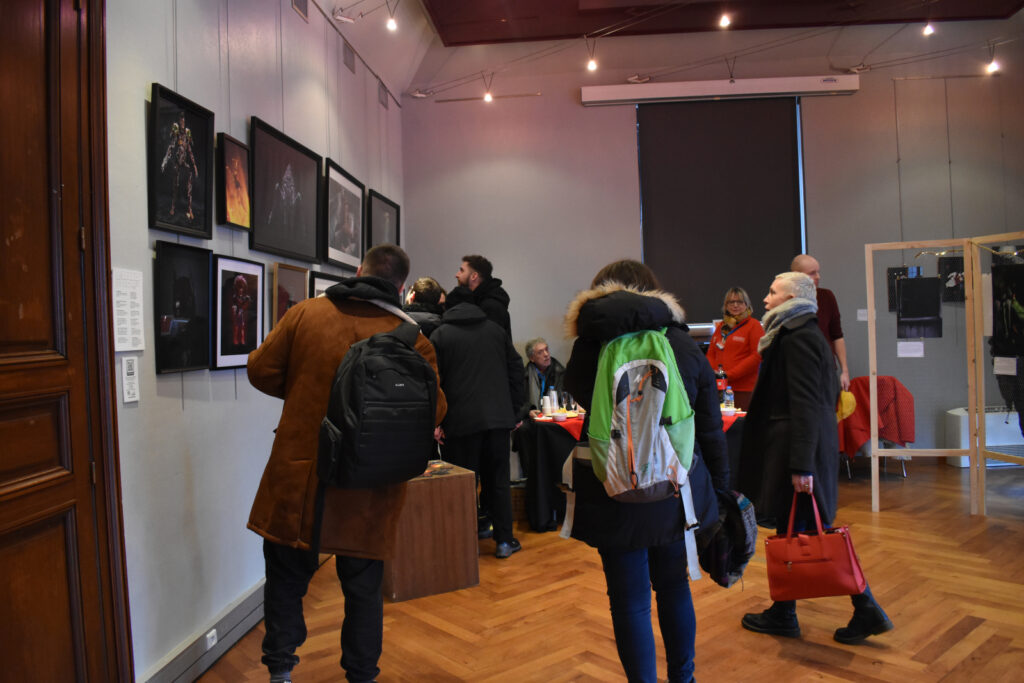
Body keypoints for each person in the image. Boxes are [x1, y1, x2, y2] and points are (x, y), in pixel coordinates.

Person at [246, 244, 448, 683]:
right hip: (370, 479)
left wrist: (305, 391)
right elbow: (434, 409)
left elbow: (260, 370)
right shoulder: (413, 339)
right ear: (401, 287)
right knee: (363, 588)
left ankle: (280, 669)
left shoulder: (306, 315)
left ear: (358, 271)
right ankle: (361, 673)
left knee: (285, 577)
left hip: (302, 473)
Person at [563, 259, 728, 683]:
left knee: (629, 602)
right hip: (674, 489)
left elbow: (579, 395)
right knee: (674, 588)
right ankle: (683, 678)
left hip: (614, 488)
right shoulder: (681, 341)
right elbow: (709, 424)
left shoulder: (590, 344)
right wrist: (721, 489)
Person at [738, 271, 892, 645]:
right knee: (798, 529)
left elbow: (807, 405)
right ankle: (786, 611)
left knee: (809, 529)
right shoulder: (799, 335)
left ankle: (864, 608)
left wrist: (801, 466)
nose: (765, 299)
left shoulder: (799, 338)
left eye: (772, 292)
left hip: (798, 451)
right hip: (797, 449)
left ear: (791, 299)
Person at [430, 286, 526, 558]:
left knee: (464, 485)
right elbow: (516, 369)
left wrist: (437, 420)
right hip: (497, 420)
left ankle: (464, 544)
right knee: (499, 482)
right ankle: (504, 541)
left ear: (448, 307)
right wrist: (515, 411)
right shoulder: (495, 331)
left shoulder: (440, 335)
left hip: (459, 424)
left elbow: (434, 382)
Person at [791, 254, 850, 391]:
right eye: (812, 273)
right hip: (798, 370)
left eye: (818, 272)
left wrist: (845, 371)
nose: (818, 277)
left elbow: (837, 336)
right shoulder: (787, 300)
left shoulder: (826, 296)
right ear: (797, 276)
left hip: (825, 369)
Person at [705, 287, 764, 410]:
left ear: (746, 304)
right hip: (719, 387)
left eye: (740, 302)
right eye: (731, 302)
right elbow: (711, 354)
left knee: (741, 421)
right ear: (726, 305)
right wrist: (714, 373)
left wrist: (729, 374)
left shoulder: (754, 325)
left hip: (744, 389)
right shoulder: (721, 327)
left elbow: (757, 356)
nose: (735, 305)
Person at [455, 254, 512, 337]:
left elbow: (491, 341)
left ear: (474, 276)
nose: (457, 275)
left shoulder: (491, 307)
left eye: (462, 271)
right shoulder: (476, 301)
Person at [522, 337, 566, 416]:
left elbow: (566, 399)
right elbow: (518, 402)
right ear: (532, 358)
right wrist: (528, 411)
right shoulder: (524, 376)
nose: (546, 354)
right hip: (533, 418)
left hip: (556, 416)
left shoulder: (560, 373)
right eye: (540, 352)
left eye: (547, 349)